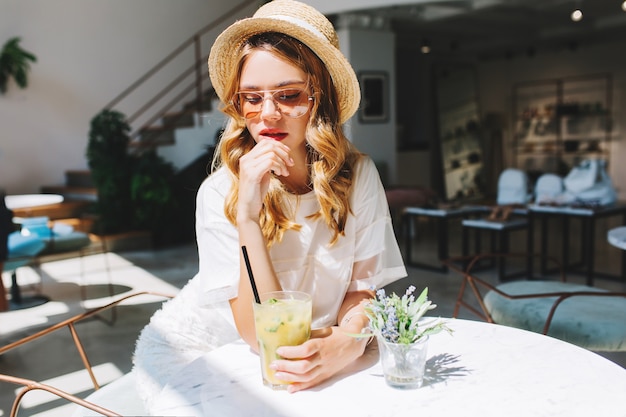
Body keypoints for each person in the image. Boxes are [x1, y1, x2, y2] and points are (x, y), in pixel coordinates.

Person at [132, 0, 406, 408]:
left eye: (289, 94)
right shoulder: (219, 192)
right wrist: (247, 215)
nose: (268, 115)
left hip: (303, 349)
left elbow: (361, 290)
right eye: (251, 98)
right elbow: (260, 335)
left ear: (321, 99)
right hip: (205, 351)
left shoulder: (358, 175)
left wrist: (348, 342)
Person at [0, 189, 14, 312]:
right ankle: (4, 308)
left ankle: (3, 308)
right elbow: (11, 229)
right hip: (3, 248)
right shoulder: (6, 212)